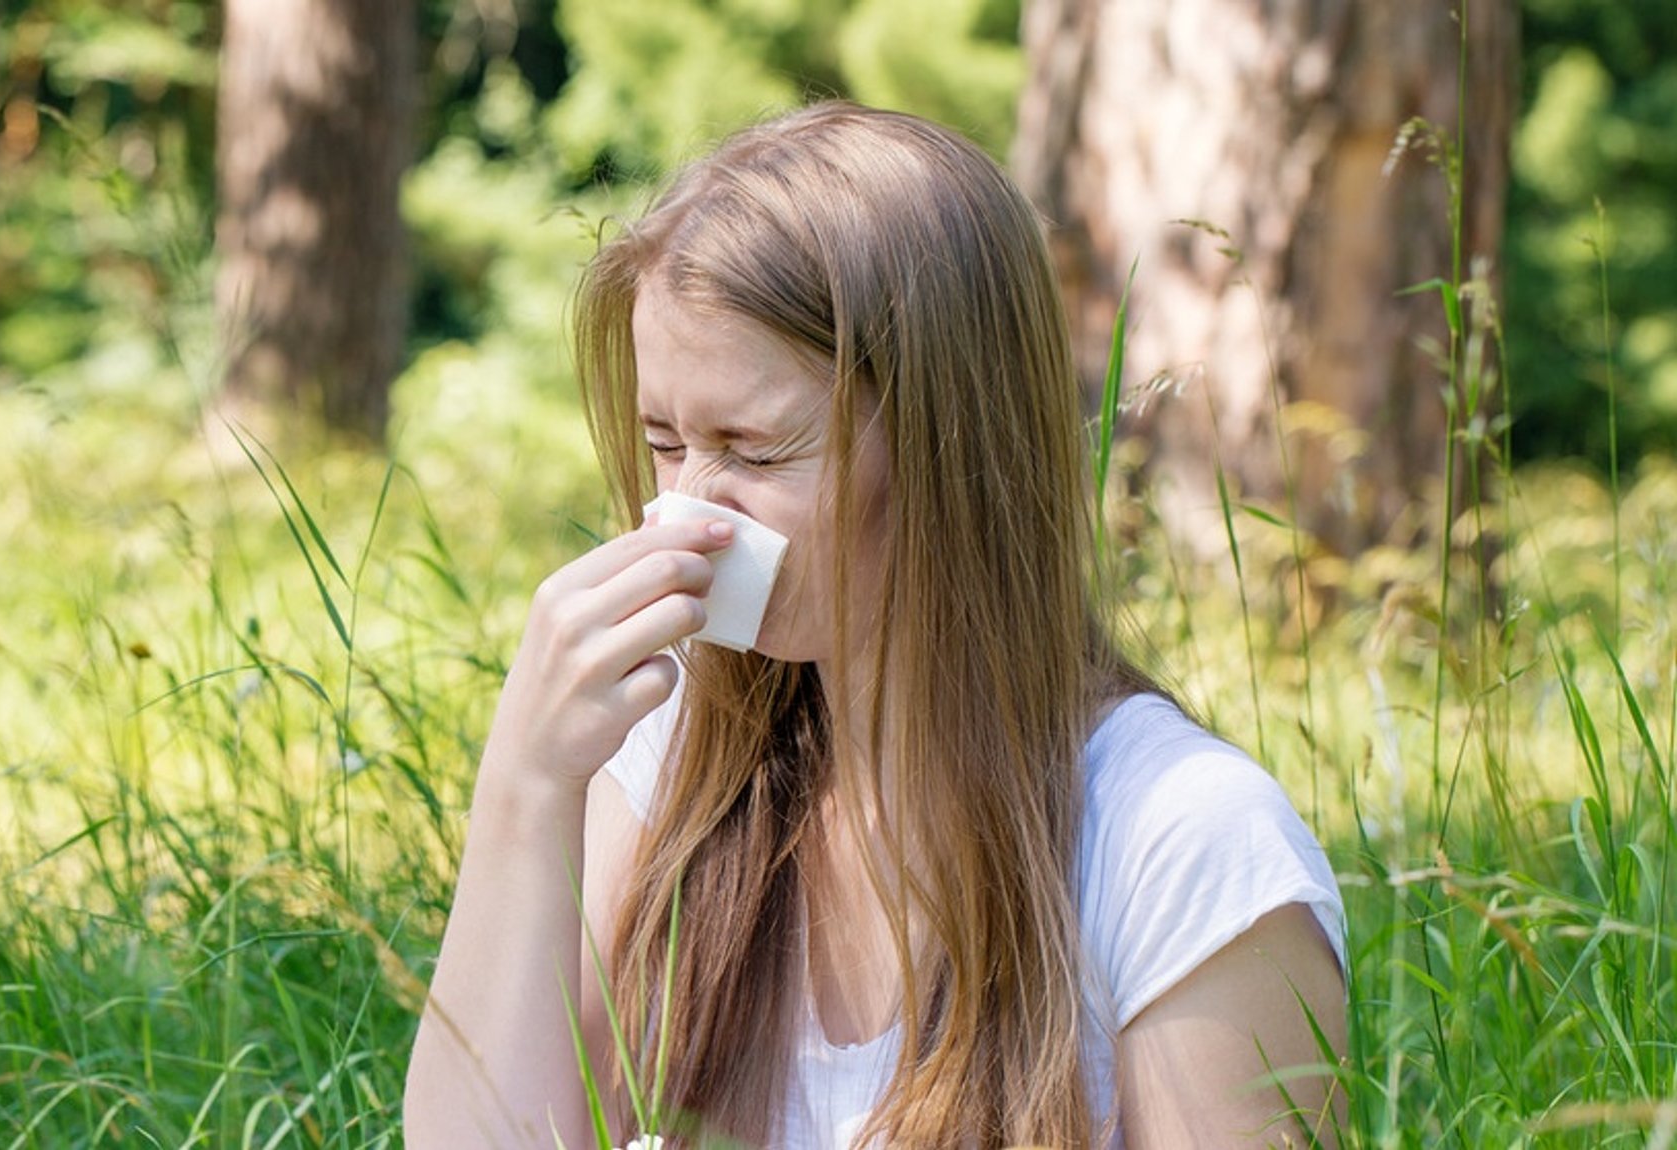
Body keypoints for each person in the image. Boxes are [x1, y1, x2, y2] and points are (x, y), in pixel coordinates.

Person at [403, 101, 1347, 1149]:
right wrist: (525, 788)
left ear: (948, 446)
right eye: (664, 443)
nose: (685, 514)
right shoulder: (669, 765)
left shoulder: (1180, 843)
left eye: (754, 452)